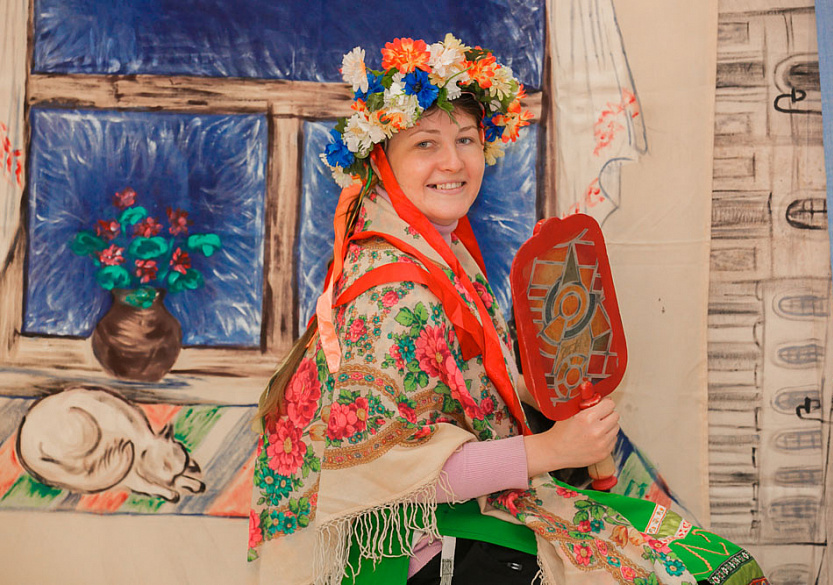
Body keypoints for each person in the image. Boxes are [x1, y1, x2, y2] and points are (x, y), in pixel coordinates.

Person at [247, 34, 769, 585]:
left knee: (707, 564)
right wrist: (552, 448)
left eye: (466, 139)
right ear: (382, 160)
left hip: (457, 517)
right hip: (407, 547)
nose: (453, 161)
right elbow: (402, 477)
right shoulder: (393, 295)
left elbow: (462, 385)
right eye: (425, 143)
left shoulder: (436, 253)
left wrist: (539, 394)